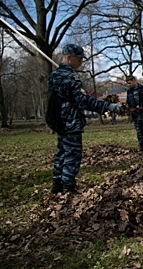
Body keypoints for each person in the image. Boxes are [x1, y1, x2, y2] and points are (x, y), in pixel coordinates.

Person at [48, 44, 121, 194]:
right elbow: (84, 101)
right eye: (79, 59)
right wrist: (108, 107)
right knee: (72, 154)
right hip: (71, 121)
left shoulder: (55, 76)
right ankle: (68, 186)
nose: (81, 62)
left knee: (61, 152)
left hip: (59, 121)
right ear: (69, 58)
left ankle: (57, 183)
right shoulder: (71, 78)